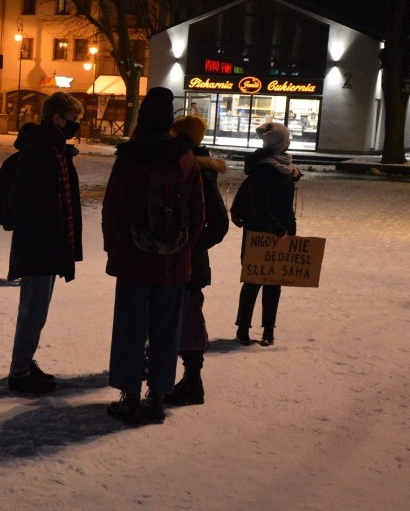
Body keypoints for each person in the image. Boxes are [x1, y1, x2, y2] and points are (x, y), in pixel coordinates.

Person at [101, 87, 204, 425]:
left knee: (130, 327)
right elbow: (197, 214)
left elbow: (113, 207)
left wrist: (113, 247)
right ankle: (157, 399)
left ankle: (130, 397)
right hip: (172, 262)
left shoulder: (130, 157)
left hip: (133, 257)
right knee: (166, 329)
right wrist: (184, 250)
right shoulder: (186, 158)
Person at [7, 92, 84, 395]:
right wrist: (46, 233)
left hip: (47, 245)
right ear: (56, 118)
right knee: (33, 310)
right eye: (73, 121)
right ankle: (19, 373)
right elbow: (22, 201)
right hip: (38, 246)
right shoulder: (39, 152)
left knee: (37, 310)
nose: (76, 126)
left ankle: (24, 364)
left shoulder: (54, 150)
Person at [163, 116, 229, 407]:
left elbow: (218, 225)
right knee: (176, 321)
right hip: (178, 261)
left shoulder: (200, 172)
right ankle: (178, 379)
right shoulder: (183, 166)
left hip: (189, 264)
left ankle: (193, 383)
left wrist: (187, 247)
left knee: (189, 323)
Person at [235, 122, 302, 347]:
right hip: (261, 232)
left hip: (279, 231)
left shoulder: (281, 164)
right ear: (280, 143)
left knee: (274, 281)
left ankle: (268, 330)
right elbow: (260, 204)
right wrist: (278, 228)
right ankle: (243, 328)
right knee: (254, 281)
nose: (290, 141)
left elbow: (285, 187)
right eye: (287, 138)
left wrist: (294, 175)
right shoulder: (264, 168)